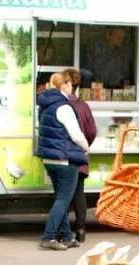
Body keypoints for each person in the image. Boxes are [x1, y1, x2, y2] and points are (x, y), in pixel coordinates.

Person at [35, 72, 89, 251]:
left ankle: (67, 236)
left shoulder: (45, 104)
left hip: (50, 158)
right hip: (65, 158)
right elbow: (75, 134)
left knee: (60, 198)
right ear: (64, 85)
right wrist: (85, 147)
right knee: (64, 200)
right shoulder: (64, 107)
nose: (72, 87)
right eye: (70, 84)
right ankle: (48, 237)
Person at [63, 67, 96, 244]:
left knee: (62, 194)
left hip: (64, 155)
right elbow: (92, 131)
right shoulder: (83, 106)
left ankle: (62, 230)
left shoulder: (61, 105)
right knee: (78, 192)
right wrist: (85, 146)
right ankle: (81, 228)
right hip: (80, 155)